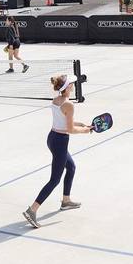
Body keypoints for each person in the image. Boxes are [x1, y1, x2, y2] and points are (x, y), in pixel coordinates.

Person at [22, 74, 93, 228]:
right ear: (66, 87)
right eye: (71, 84)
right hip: (60, 141)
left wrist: (84, 124)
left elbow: (65, 121)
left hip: (53, 137)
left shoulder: (56, 100)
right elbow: (70, 129)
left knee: (71, 167)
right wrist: (85, 131)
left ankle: (66, 201)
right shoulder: (69, 104)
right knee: (54, 180)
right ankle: (32, 210)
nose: (73, 86)